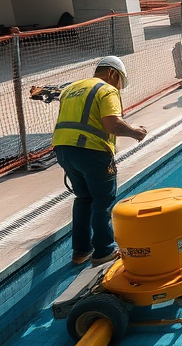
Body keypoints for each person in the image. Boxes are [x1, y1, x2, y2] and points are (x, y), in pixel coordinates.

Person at [53, 55, 147, 266]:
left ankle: (81, 251)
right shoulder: (106, 89)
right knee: (103, 201)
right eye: (120, 82)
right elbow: (112, 124)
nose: (119, 89)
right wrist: (135, 133)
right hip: (91, 151)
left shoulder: (71, 89)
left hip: (63, 150)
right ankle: (103, 251)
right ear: (112, 74)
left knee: (83, 198)